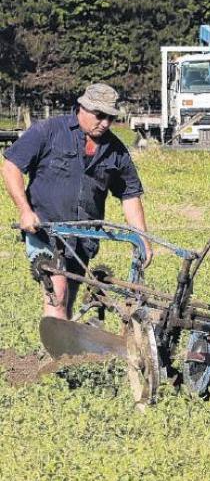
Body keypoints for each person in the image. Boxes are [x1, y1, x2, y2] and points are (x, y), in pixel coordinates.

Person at [1, 83, 152, 320]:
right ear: (82, 107)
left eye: (110, 118)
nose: (104, 123)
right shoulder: (49, 131)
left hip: (84, 238)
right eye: (99, 115)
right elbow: (11, 166)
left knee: (68, 298)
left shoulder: (116, 151)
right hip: (46, 230)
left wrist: (143, 239)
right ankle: (58, 354)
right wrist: (25, 211)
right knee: (57, 294)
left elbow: (130, 195)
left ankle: (65, 354)